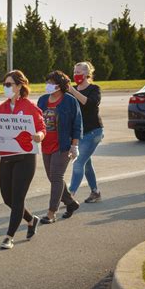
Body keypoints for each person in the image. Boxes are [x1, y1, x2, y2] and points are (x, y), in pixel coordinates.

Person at [0, 70, 46, 249]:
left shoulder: (29, 106)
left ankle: (9, 236)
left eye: (9, 84)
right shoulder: (1, 108)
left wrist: (39, 135)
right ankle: (30, 219)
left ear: (19, 86)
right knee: (7, 198)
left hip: (25, 158)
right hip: (6, 157)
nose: (5, 88)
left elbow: (42, 128)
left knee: (18, 197)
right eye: (4, 85)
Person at [37, 70, 82, 224]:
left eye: (51, 82)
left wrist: (74, 145)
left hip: (62, 145)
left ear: (60, 85)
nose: (48, 85)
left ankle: (51, 213)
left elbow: (77, 124)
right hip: (45, 144)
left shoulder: (69, 101)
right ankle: (71, 203)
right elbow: (36, 121)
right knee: (52, 177)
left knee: (56, 177)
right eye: (47, 82)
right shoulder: (42, 100)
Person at [68, 62, 104, 203]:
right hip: (79, 134)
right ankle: (95, 192)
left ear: (87, 74)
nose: (76, 75)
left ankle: (70, 196)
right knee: (86, 164)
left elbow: (90, 103)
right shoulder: (72, 90)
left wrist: (73, 92)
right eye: (74, 72)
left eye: (79, 72)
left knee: (78, 163)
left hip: (93, 132)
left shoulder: (94, 89)